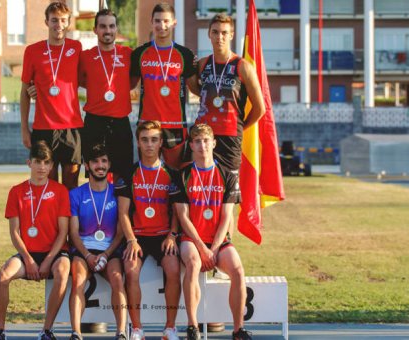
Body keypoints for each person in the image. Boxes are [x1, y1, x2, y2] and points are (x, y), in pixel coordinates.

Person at [173, 124, 252, 340]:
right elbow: (183, 217)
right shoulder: (183, 175)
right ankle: (192, 326)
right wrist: (202, 248)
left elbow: (227, 217)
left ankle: (238, 329)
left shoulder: (227, 175)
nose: (202, 145)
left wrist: (214, 249)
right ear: (191, 145)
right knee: (193, 263)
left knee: (237, 269)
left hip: (218, 240)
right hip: (192, 238)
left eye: (206, 141)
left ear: (214, 143)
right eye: (197, 141)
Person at [0, 141, 71, 340]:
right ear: (29, 163)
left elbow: (63, 232)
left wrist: (48, 260)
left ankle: (47, 330)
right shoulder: (16, 191)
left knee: (62, 271)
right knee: (3, 276)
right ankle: (0, 331)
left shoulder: (60, 191)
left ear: (52, 166)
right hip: (28, 254)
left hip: (55, 253)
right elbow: (15, 233)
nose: (42, 167)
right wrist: (29, 260)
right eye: (37, 161)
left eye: (46, 162)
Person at [115, 120, 181, 340]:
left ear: (161, 142)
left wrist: (172, 234)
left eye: (154, 139)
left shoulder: (171, 173)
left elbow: (177, 211)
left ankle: (170, 328)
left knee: (173, 269)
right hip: (138, 236)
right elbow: (123, 213)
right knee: (131, 270)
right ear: (138, 142)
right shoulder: (128, 173)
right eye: (145, 140)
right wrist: (131, 240)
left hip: (163, 235)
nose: (149, 145)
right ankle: (136, 329)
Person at [20, 1, 83, 190]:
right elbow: (24, 92)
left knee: (71, 184)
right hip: (44, 128)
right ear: (46, 22)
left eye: (63, 20)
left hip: (72, 128)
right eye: (54, 20)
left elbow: (88, 79)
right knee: (49, 185)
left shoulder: (77, 48)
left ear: (69, 22)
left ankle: (72, 221)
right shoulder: (32, 51)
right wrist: (24, 128)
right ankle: (51, 221)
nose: (59, 25)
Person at [194, 13, 265, 179]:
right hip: (203, 135)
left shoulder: (243, 67)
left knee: (228, 191)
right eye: (215, 32)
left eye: (224, 33)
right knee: (200, 183)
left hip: (230, 136)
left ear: (231, 35)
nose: (220, 37)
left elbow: (260, 108)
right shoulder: (202, 64)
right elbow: (198, 90)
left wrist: (241, 126)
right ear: (209, 34)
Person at [68, 144, 127, 340]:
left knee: (118, 280)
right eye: (95, 161)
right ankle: (76, 333)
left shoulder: (118, 192)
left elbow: (120, 231)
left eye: (103, 161)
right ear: (87, 165)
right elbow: (73, 232)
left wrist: (106, 254)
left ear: (109, 164)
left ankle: (121, 332)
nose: (100, 166)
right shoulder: (76, 194)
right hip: (83, 250)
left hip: (110, 250)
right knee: (78, 281)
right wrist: (87, 255)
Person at [130, 3, 198, 169]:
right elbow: (128, 85)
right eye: (158, 21)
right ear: (151, 22)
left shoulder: (185, 55)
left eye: (166, 21)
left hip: (175, 124)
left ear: (174, 23)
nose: (162, 26)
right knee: (148, 172)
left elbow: (195, 88)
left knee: (175, 175)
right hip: (147, 124)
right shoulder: (140, 53)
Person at [78, 9, 134, 181]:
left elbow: (133, 81)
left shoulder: (128, 54)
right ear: (95, 30)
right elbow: (77, 80)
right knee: (95, 175)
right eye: (102, 26)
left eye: (111, 26)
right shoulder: (86, 56)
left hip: (120, 121)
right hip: (94, 122)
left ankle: (121, 209)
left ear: (117, 29)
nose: (107, 31)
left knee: (122, 176)